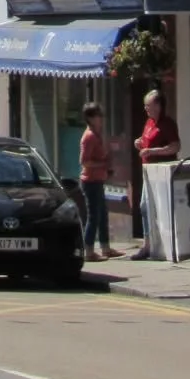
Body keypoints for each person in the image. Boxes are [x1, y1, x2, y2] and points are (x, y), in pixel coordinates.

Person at [131, 88, 180, 259]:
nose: (146, 108)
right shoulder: (149, 123)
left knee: (162, 208)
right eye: (145, 105)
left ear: (158, 105)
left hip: (162, 173)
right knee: (145, 207)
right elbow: (146, 141)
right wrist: (140, 143)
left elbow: (175, 147)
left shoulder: (167, 124)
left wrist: (153, 151)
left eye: (148, 105)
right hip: (147, 171)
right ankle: (148, 244)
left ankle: (166, 244)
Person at [78, 102, 112, 261]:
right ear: (90, 118)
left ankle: (106, 247)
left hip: (98, 179)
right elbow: (84, 161)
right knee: (93, 216)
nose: (101, 118)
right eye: (98, 115)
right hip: (90, 181)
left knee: (103, 215)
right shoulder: (89, 136)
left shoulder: (96, 134)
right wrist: (102, 164)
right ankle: (89, 250)